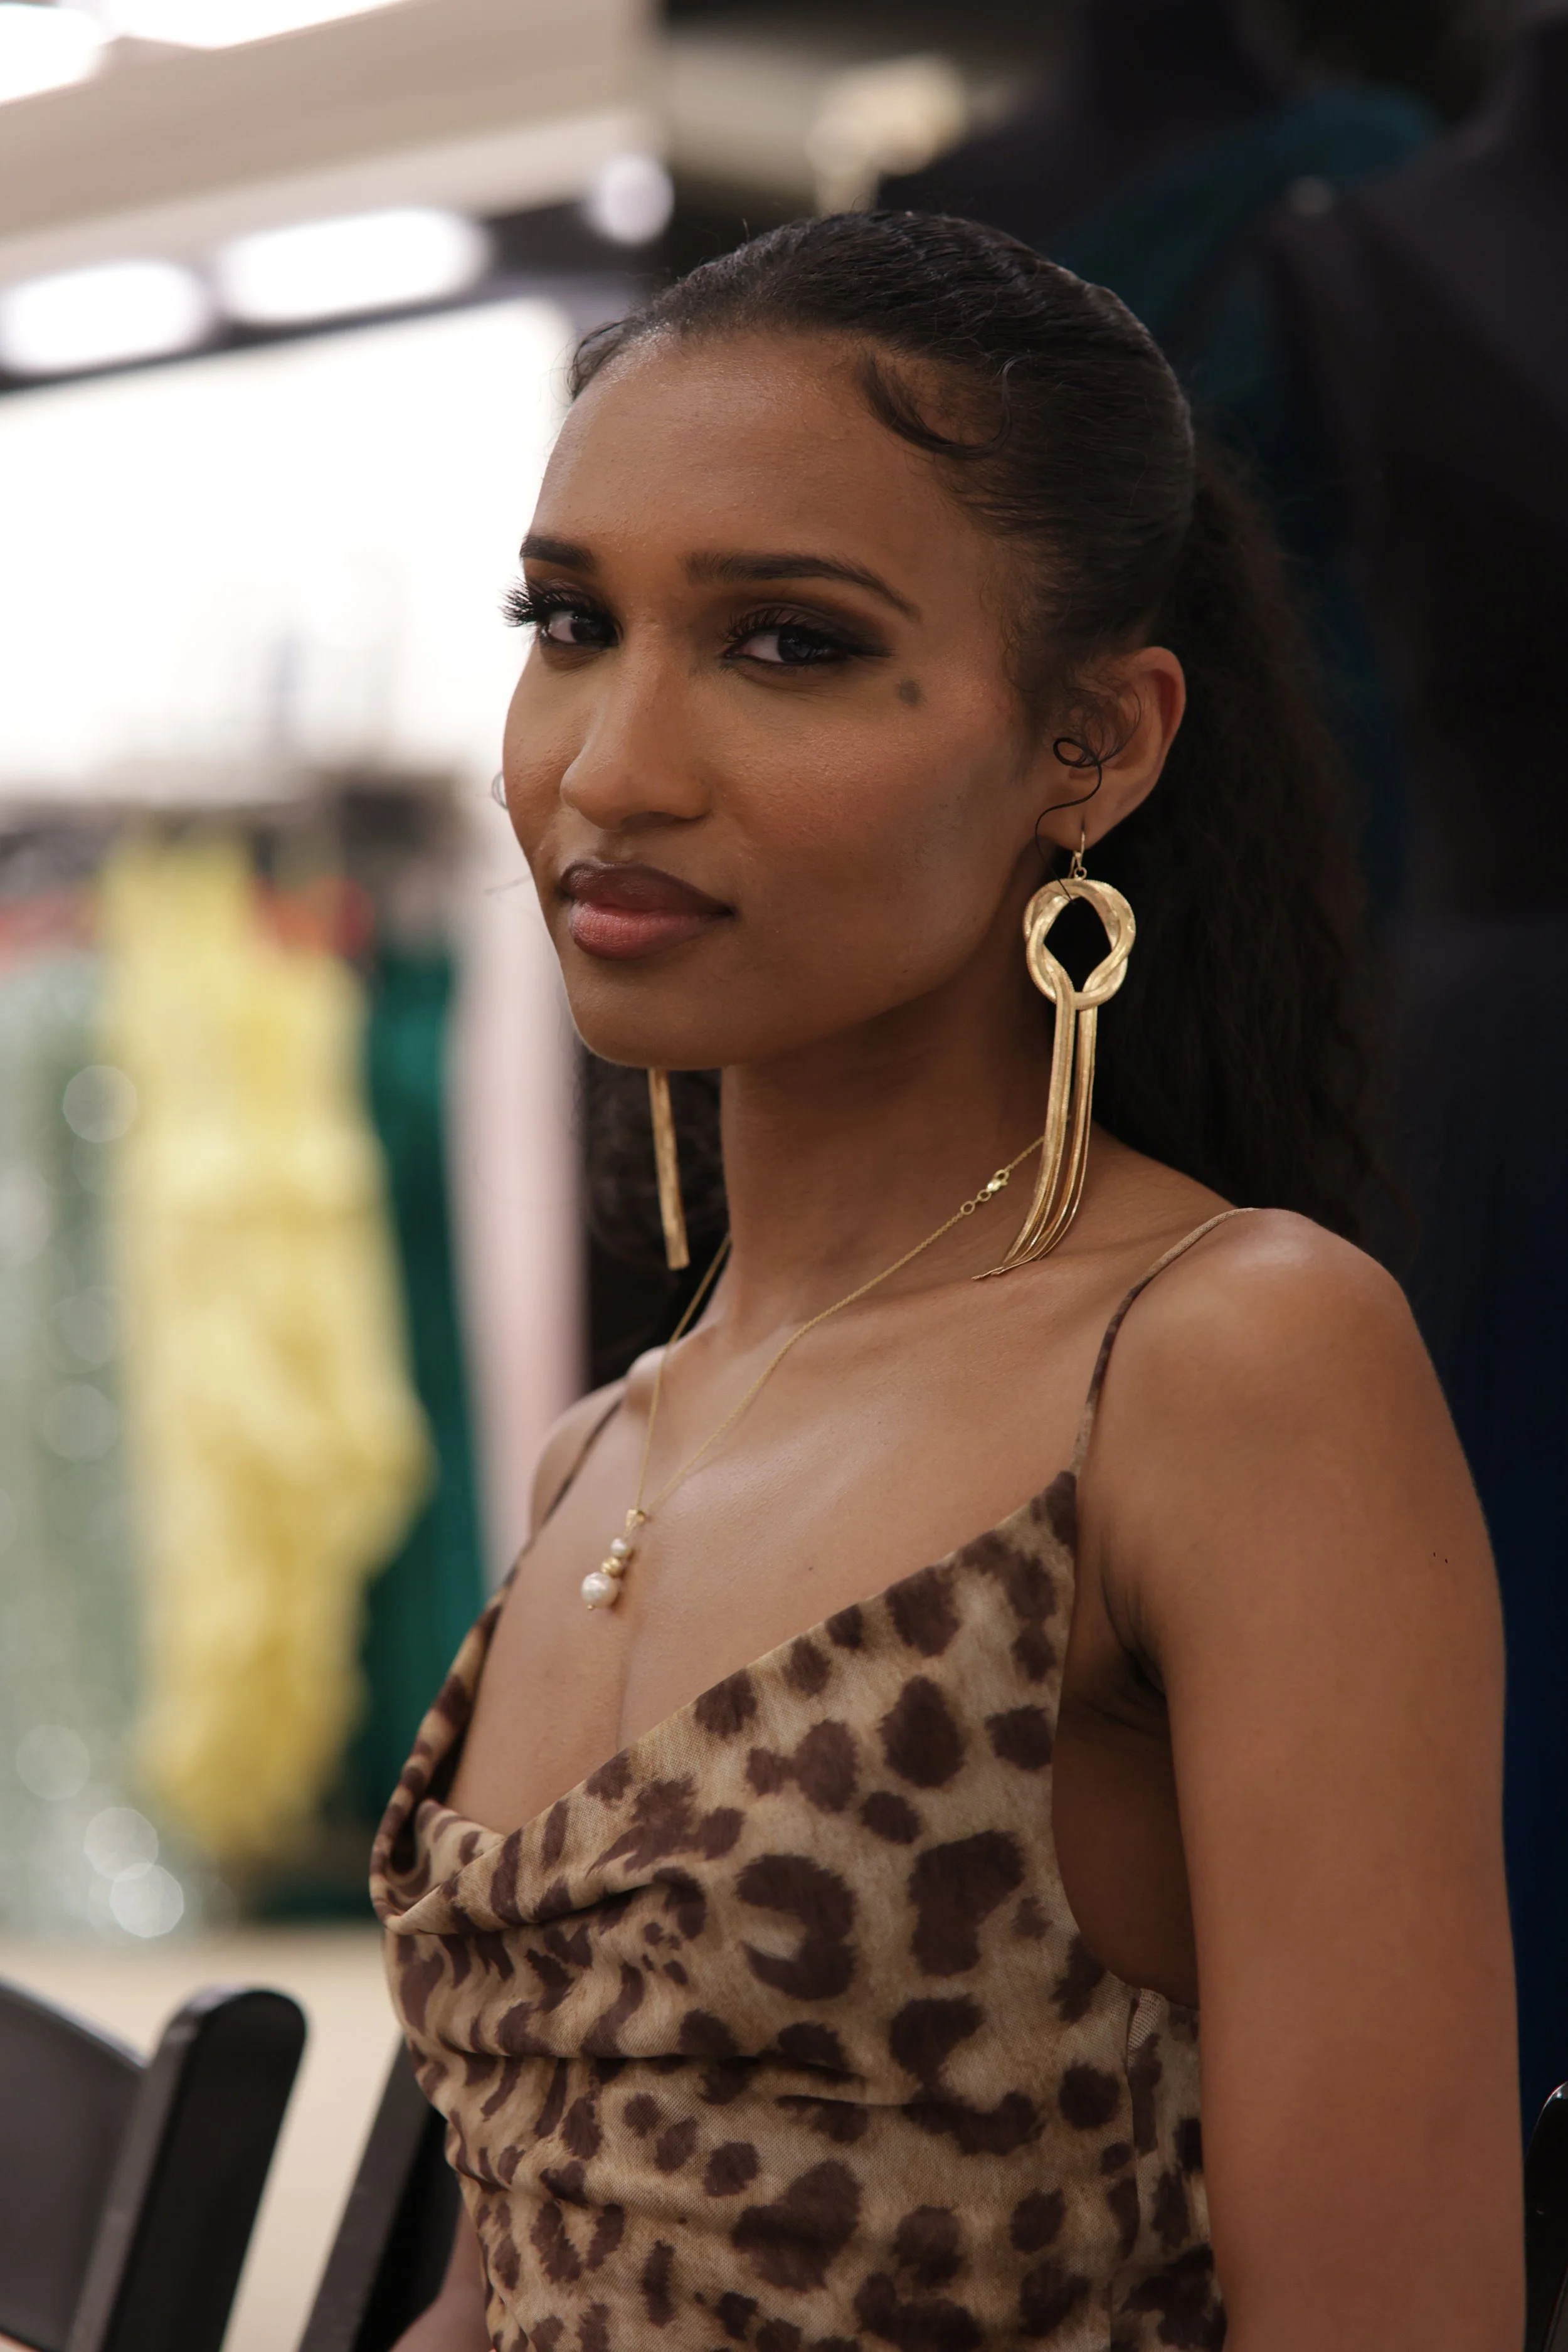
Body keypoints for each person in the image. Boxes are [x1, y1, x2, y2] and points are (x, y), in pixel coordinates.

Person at [374, 213, 1518, 2352]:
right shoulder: (594, 1450)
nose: (609, 767)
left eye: (786, 642)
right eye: (565, 621)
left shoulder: (1218, 1358)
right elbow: (516, 2282)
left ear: (1090, 743)